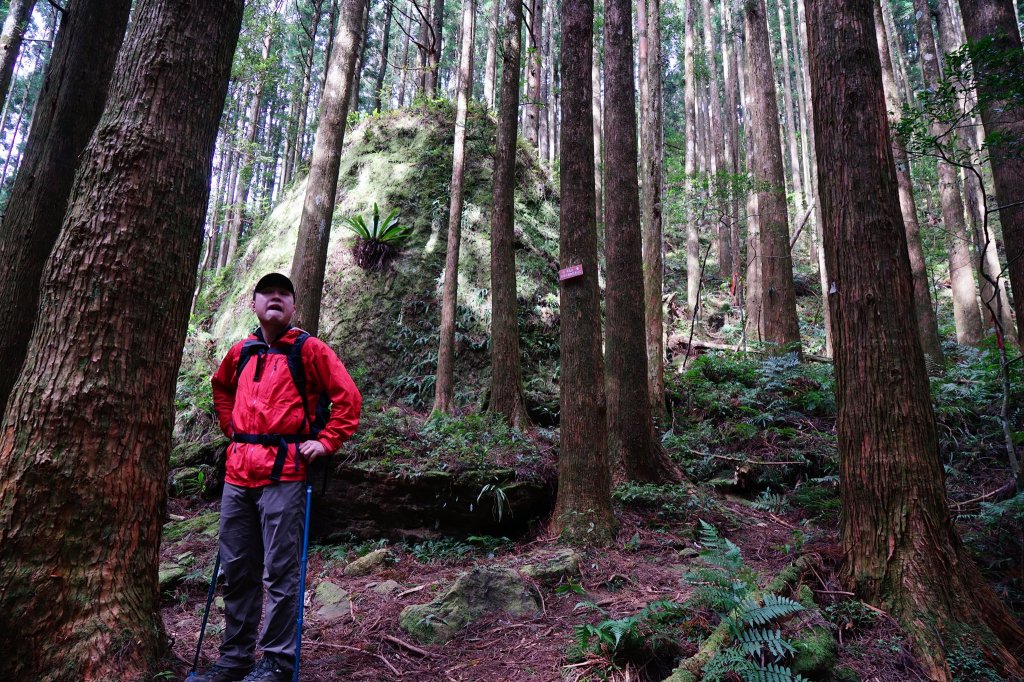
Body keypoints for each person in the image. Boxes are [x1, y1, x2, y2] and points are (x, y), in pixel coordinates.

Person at [194, 272, 362, 682]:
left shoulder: (309, 350)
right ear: (253, 304)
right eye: (267, 293)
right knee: (237, 569)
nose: (275, 298)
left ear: (291, 306)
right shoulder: (241, 351)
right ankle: (234, 657)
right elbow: (220, 388)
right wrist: (230, 427)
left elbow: (348, 398)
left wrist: (325, 442)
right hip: (238, 474)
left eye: (283, 294)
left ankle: (276, 661)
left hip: (285, 474)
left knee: (281, 572)